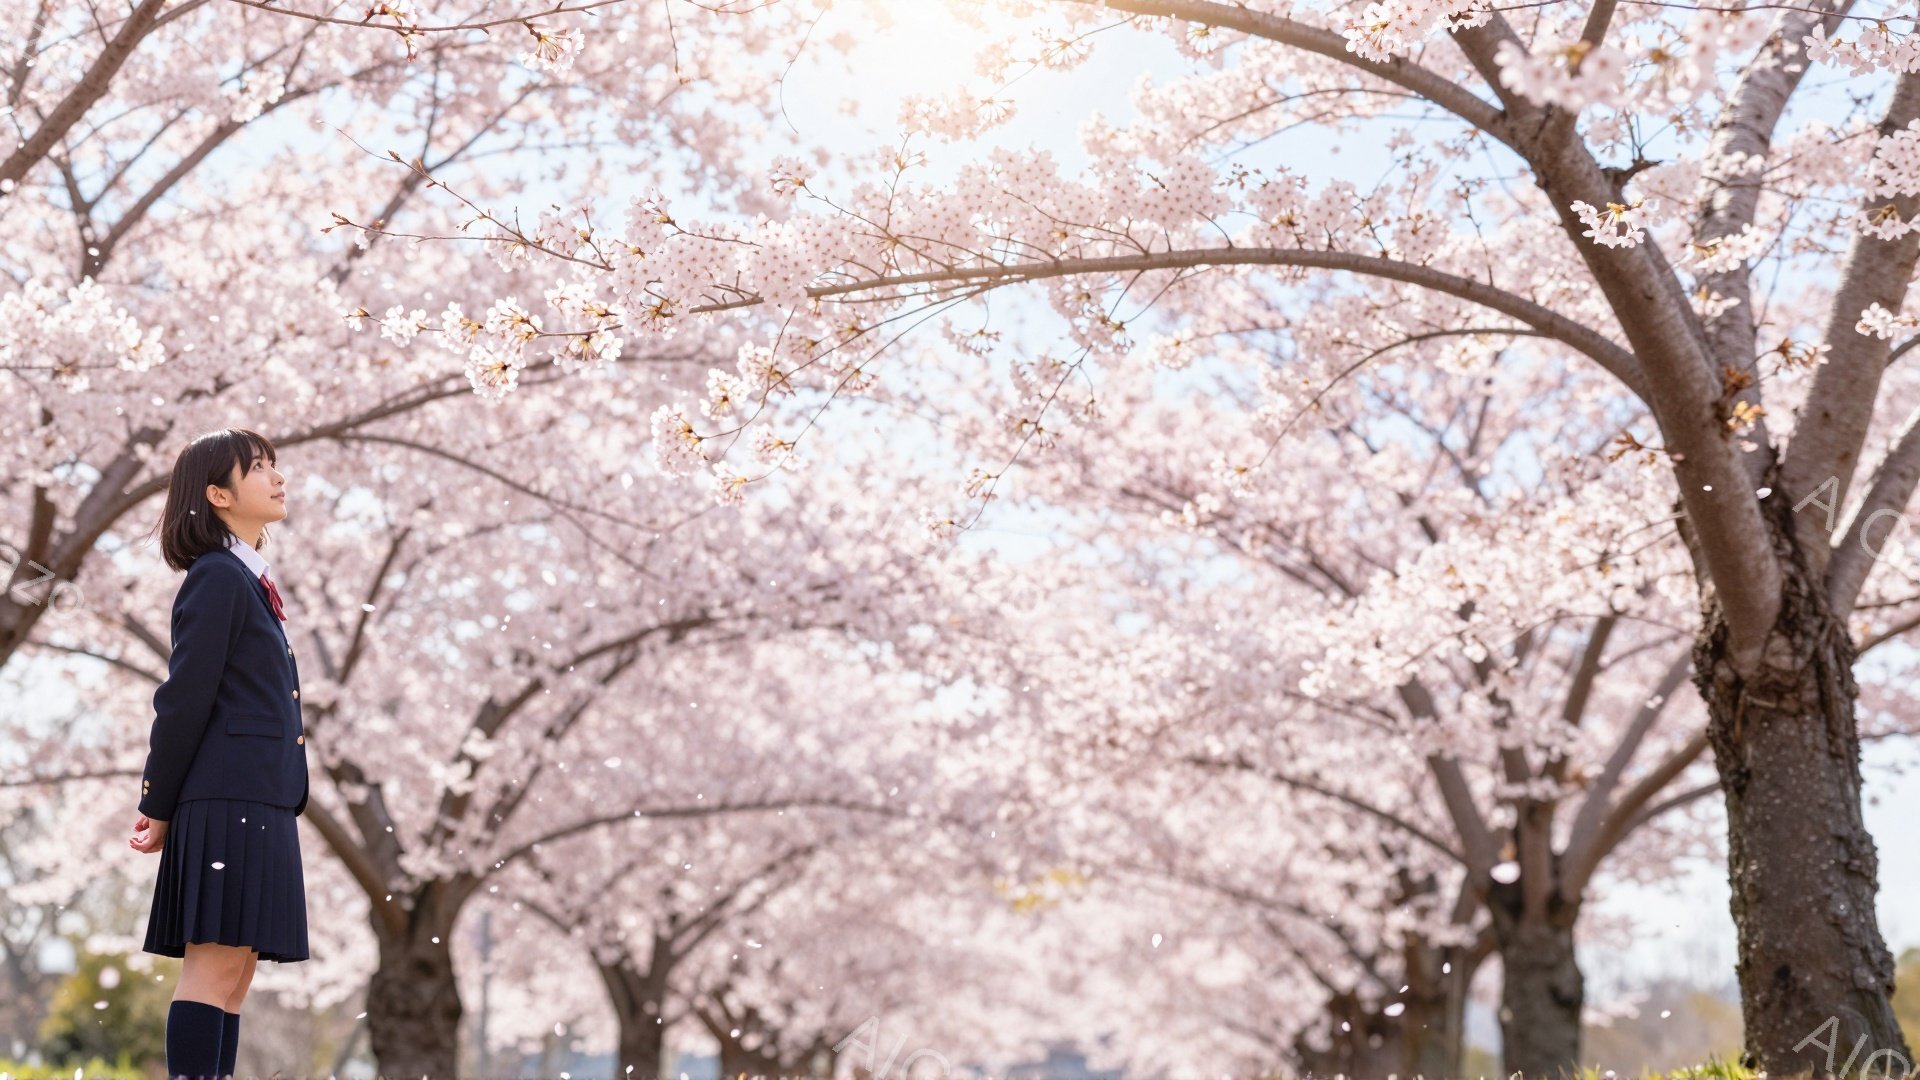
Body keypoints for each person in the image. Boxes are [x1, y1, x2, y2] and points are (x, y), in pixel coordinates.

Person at [128, 428, 310, 1080]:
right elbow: (184, 699)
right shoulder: (217, 578)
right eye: (259, 468)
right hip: (226, 798)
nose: (276, 477)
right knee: (213, 966)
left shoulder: (246, 579)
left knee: (235, 970)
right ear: (217, 494)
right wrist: (160, 804)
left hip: (256, 796)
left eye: (273, 465)